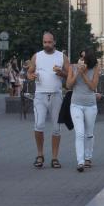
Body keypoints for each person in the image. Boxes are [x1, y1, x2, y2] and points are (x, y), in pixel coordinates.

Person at [27, 31, 69, 169]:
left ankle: (55, 158)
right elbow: (30, 72)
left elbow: (69, 74)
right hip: (40, 95)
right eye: (45, 42)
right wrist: (30, 76)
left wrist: (61, 72)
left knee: (56, 128)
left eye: (49, 42)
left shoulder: (62, 56)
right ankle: (40, 155)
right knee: (39, 125)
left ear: (54, 42)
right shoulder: (37, 56)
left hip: (56, 95)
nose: (47, 44)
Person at [66, 49, 100, 172]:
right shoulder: (73, 67)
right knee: (79, 133)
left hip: (90, 105)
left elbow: (93, 87)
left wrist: (84, 74)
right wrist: (77, 73)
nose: (81, 60)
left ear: (89, 60)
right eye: (80, 57)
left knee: (89, 134)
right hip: (76, 105)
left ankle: (88, 157)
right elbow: (68, 85)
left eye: (84, 58)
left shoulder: (95, 68)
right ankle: (80, 162)